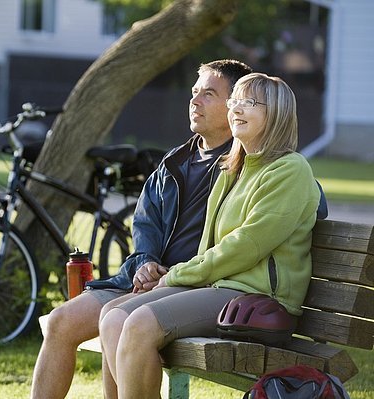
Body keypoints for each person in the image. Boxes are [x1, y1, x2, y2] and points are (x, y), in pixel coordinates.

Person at [30, 59, 254, 399]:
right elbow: (145, 221)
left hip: (191, 286)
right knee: (60, 323)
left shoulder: (247, 164)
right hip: (141, 279)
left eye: (208, 94)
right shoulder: (174, 163)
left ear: (235, 103)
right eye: (195, 92)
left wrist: (169, 274)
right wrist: (146, 261)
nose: (195, 101)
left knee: (115, 319)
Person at [98, 72, 322, 399]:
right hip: (219, 287)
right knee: (112, 316)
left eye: (249, 102)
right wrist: (174, 277)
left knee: (139, 323)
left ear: (275, 113)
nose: (236, 109)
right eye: (234, 101)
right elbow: (209, 244)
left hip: (257, 299)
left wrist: (179, 273)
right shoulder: (232, 170)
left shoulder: (289, 170)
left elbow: (247, 245)